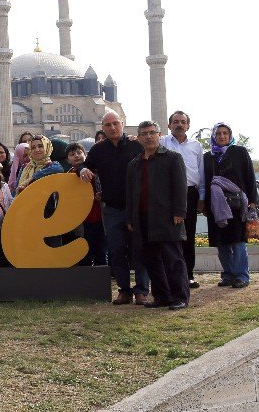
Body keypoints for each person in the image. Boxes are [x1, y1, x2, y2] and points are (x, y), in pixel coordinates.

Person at [79, 111, 150, 305]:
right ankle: (124, 290)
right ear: (102, 128)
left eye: (115, 123)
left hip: (136, 208)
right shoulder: (98, 149)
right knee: (116, 250)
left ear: (123, 124)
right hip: (112, 209)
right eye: (108, 125)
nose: (112, 128)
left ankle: (142, 290)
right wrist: (84, 169)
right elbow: (86, 164)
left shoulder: (137, 145)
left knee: (139, 249)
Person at [126, 121, 190, 310]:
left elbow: (180, 187)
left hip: (167, 217)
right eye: (144, 134)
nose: (148, 137)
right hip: (143, 218)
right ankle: (162, 296)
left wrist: (180, 212)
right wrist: (130, 218)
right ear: (138, 138)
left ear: (159, 135)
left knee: (173, 259)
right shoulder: (134, 164)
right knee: (151, 259)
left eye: (152, 133)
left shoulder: (173, 158)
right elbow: (130, 194)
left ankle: (180, 297)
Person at [204, 122, 257, 288]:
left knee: (238, 241)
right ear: (214, 136)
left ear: (230, 135)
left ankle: (241, 275)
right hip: (216, 206)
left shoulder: (239, 152)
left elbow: (250, 176)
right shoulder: (208, 156)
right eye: (218, 133)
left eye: (225, 133)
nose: (221, 136)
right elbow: (204, 181)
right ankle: (228, 274)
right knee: (222, 242)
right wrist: (205, 204)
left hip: (237, 205)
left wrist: (253, 201)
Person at [160, 110, 205, 290]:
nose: (179, 124)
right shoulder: (161, 142)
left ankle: (188, 275)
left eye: (183, 121)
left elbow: (201, 173)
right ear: (169, 125)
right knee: (169, 235)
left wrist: (201, 198)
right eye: (175, 121)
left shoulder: (196, 146)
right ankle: (169, 276)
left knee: (189, 235)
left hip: (190, 194)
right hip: (166, 194)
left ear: (188, 125)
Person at [66, 142, 107, 267]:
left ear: (85, 155)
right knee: (85, 252)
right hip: (83, 221)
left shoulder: (94, 172)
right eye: (72, 154)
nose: (77, 156)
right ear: (68, 160)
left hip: (99, 217)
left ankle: (102, 280)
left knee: (101, 250)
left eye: (79, 153)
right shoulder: (68, 176)